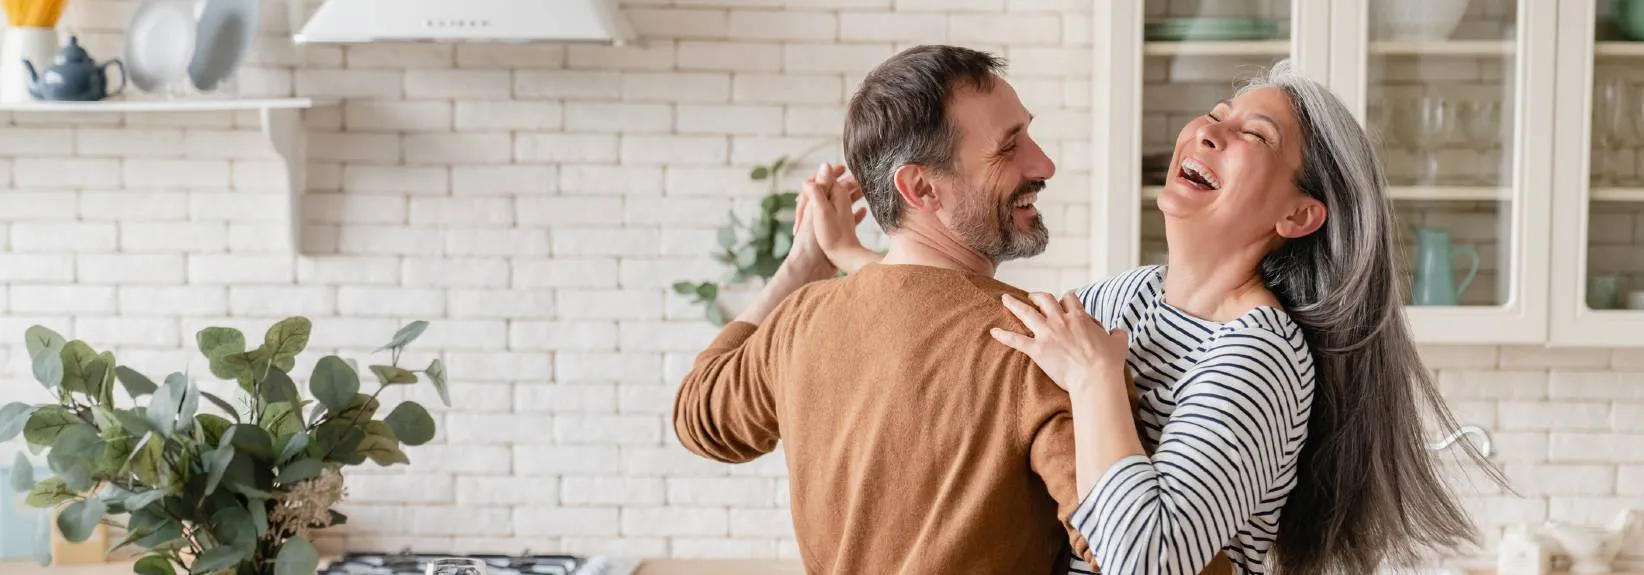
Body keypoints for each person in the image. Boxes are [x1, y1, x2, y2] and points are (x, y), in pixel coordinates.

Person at [808, 58, 1503, 574]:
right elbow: (992, 327)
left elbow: (1150, 559)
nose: (1208, 130)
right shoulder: (1128, 297)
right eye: (1218, 113)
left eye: (1252, 134)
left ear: (1298, 213)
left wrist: (1095, 383)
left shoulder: (1257, 354)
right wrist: (853, 252)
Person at [672, 44, 1118, 574]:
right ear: (921, 187)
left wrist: (800, 269)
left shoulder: (800, 320)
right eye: (1008, 148)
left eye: (1029, 133)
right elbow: (1133, 551)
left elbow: (700, 417)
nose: (1043, 163)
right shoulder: (1041, 345)